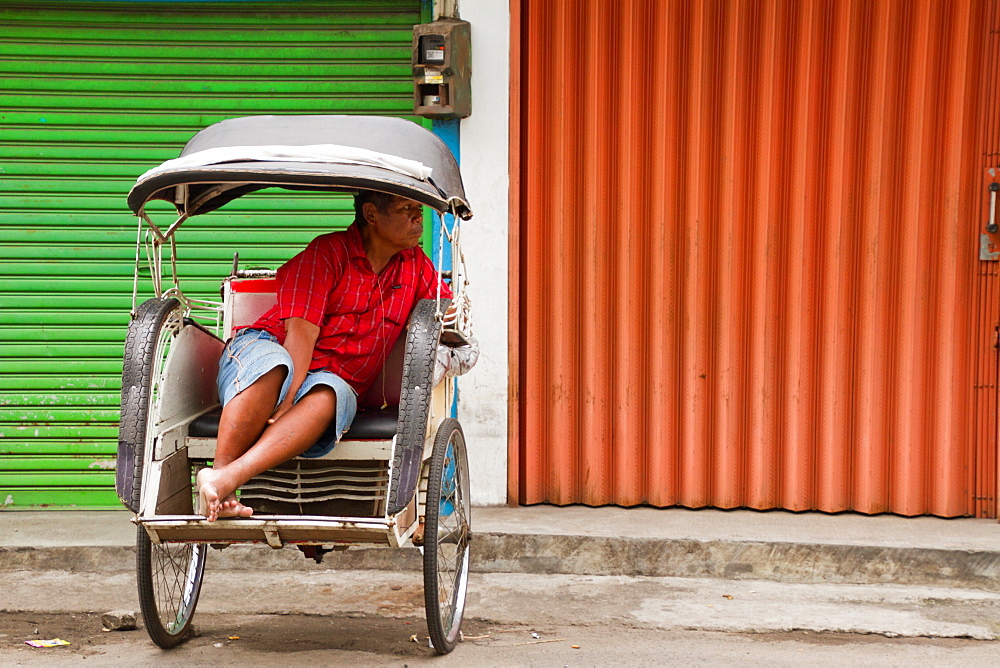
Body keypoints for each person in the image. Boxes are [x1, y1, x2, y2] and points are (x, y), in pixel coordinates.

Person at [196, 190, 452, 521]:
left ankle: (223, 479)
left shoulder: (416, 267)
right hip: (270, 347)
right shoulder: (328, 253)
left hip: (329, 380)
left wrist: (452, 314)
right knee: (276, 366)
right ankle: (220, 482)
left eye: (418, 209)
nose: (418, 218)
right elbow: (301, 334)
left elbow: (445, 311)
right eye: (406, 209)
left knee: (330, 393)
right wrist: (286, 401)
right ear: (371, 214)